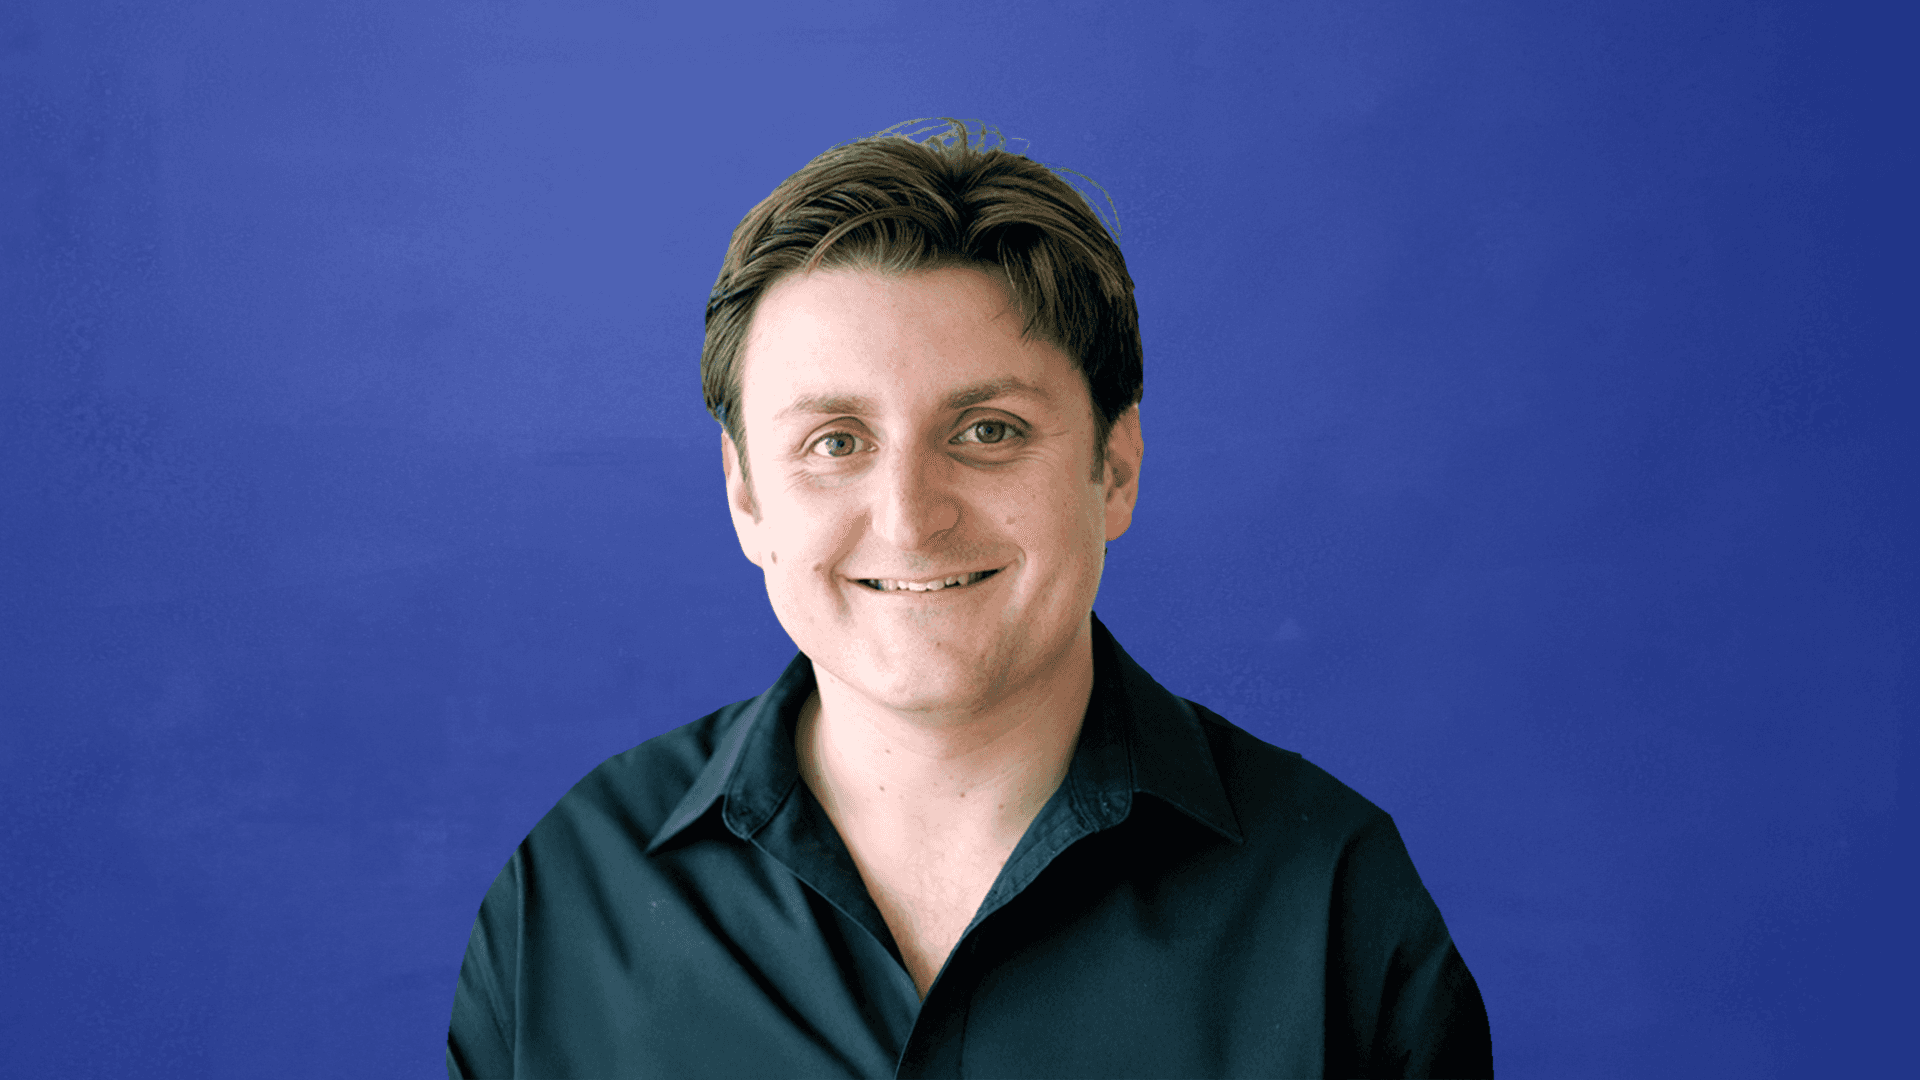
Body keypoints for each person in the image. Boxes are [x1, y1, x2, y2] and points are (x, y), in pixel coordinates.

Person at [447, 117, 1492, 1079]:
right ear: (746, 496)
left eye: (989, 430)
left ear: (1115, 468)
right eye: (835, 443)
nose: (910, 518)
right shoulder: (565, 898)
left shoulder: (1335, 905)